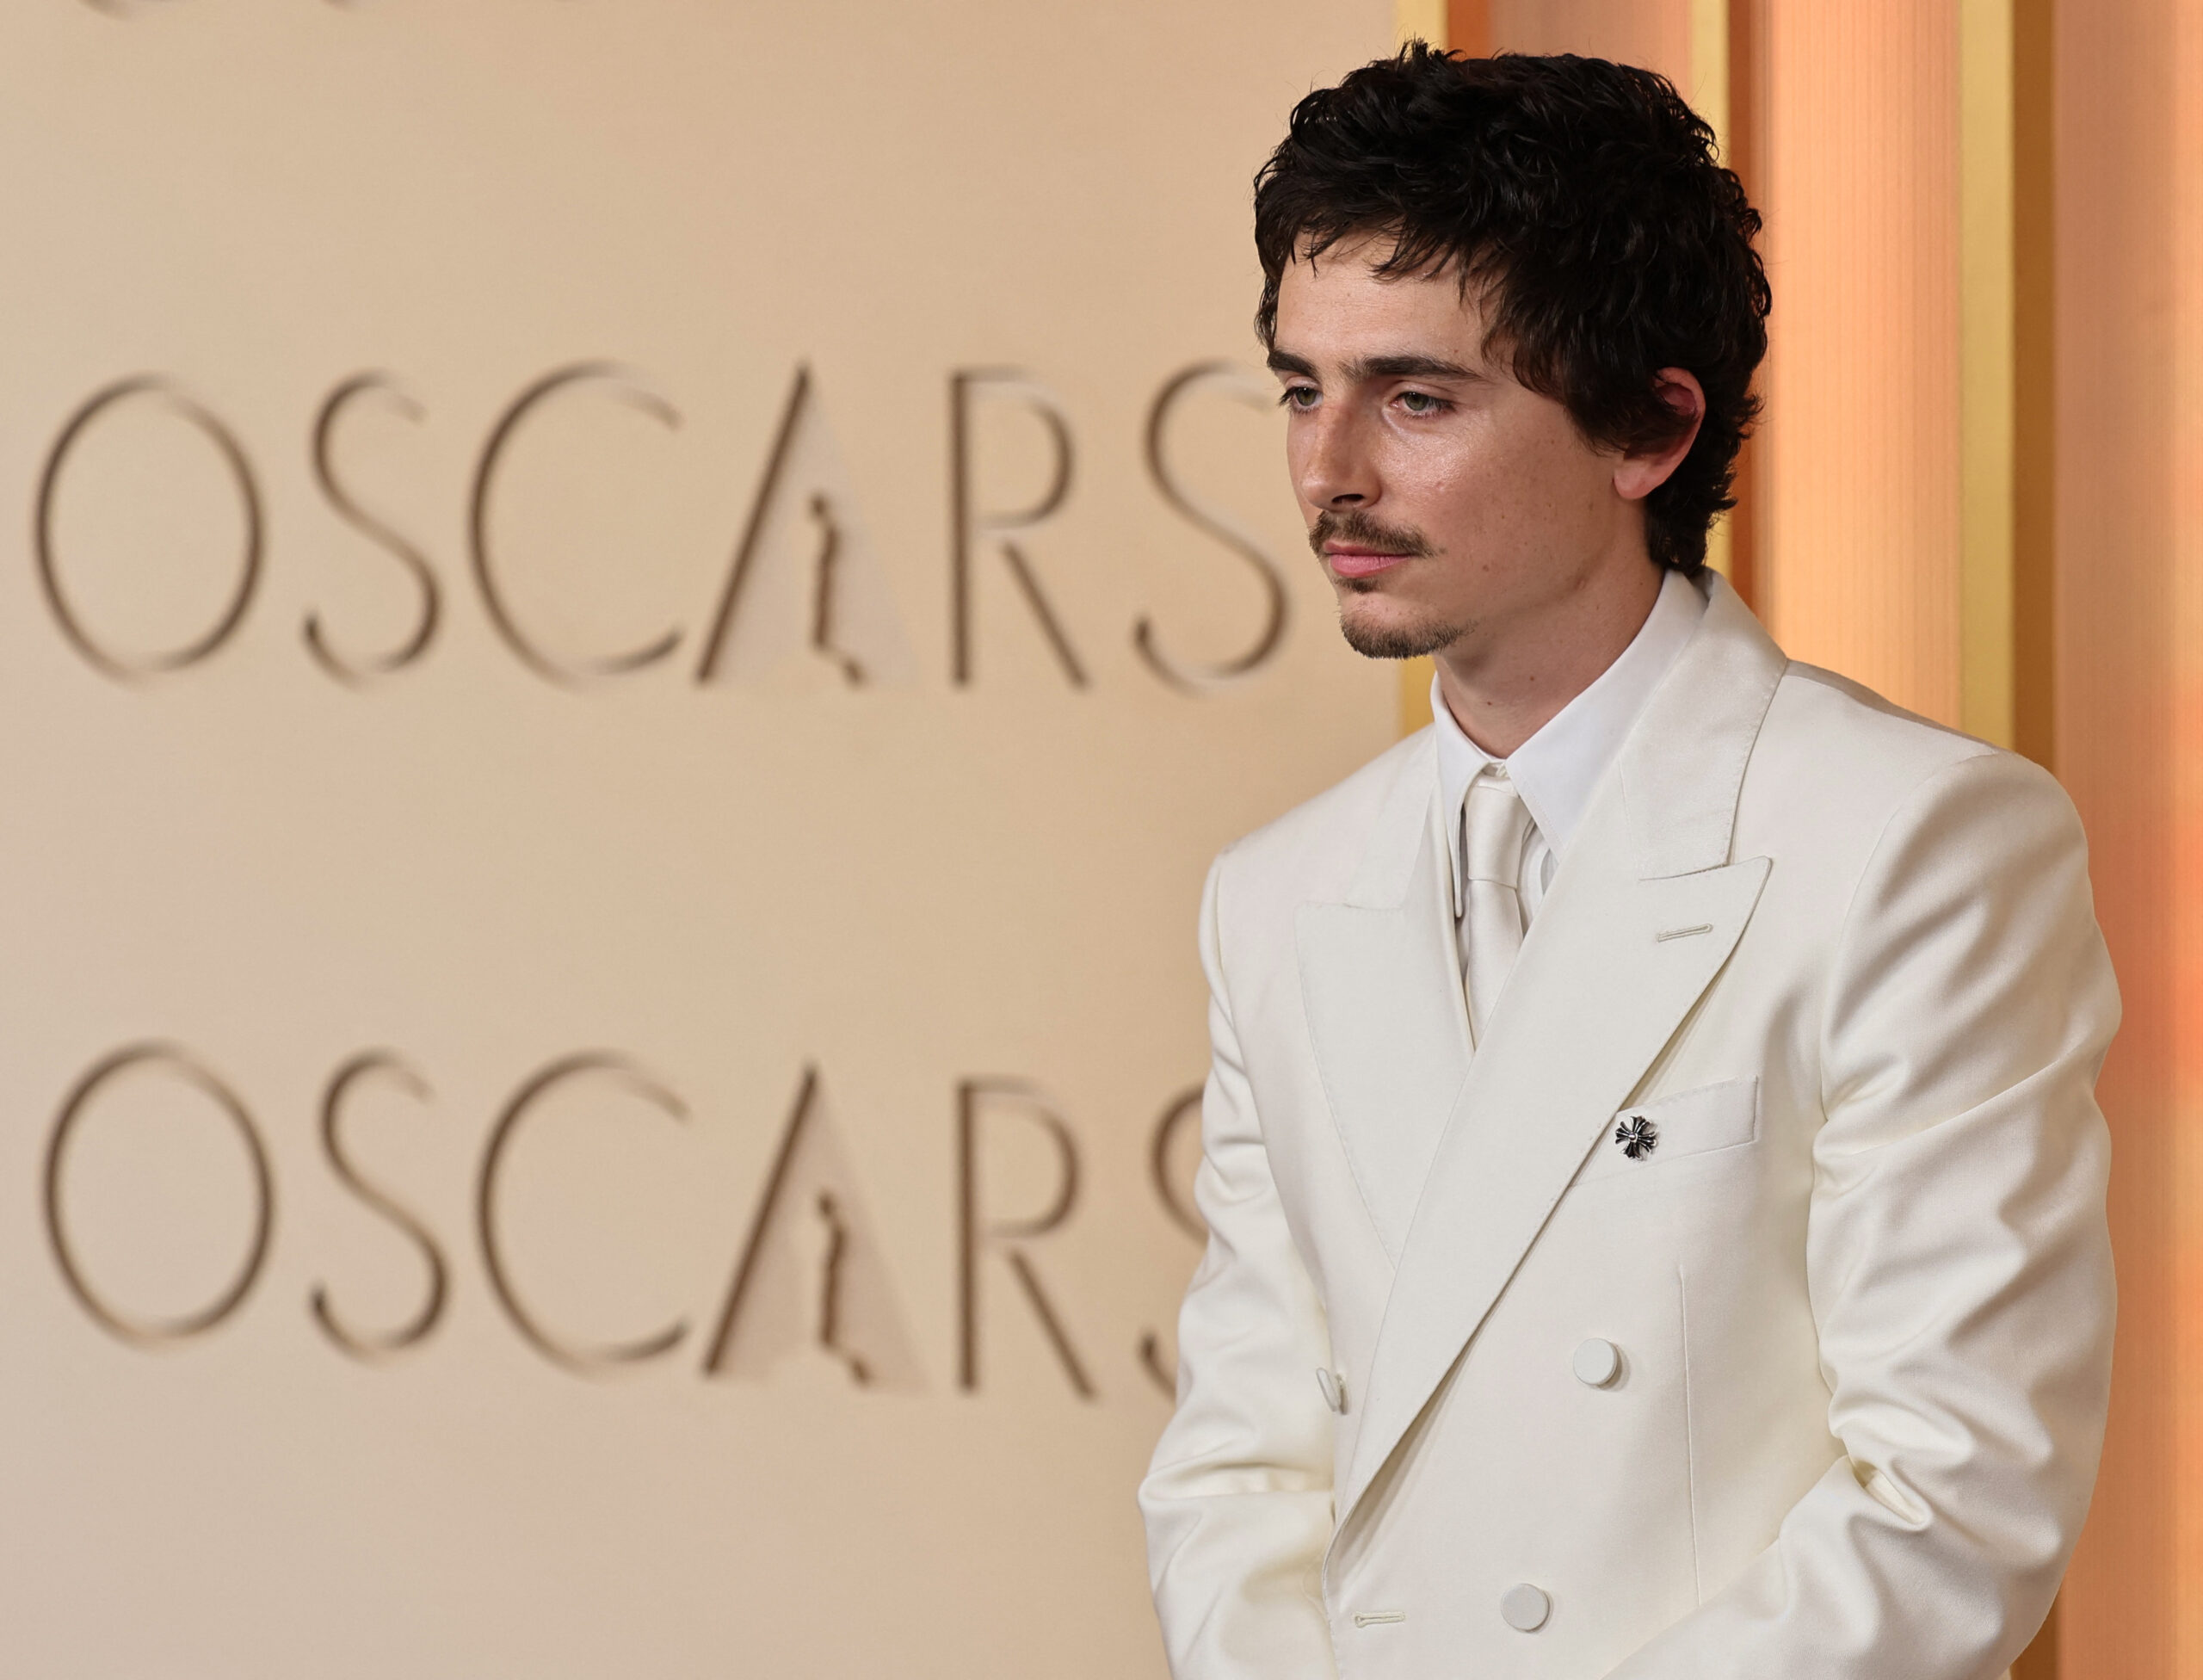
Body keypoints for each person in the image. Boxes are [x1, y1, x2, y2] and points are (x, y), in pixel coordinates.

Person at [1139, 46, 2116, 1680]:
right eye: (1302, 386)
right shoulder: (1278, 893)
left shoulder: (1915, 847)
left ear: (1651, 428)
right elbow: (1243, 1466)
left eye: (1419, 396)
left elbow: (1955, 1495)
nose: (1330, 470)